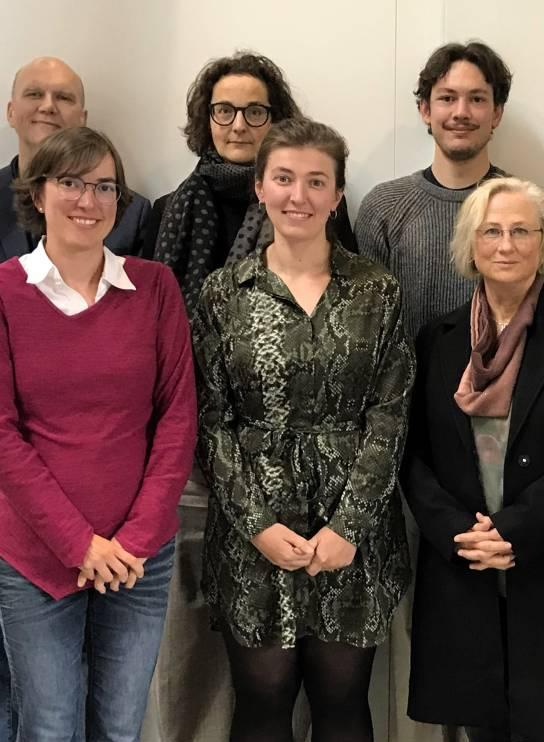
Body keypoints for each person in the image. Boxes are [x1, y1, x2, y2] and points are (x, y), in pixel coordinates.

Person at [193, 117, 412, 742]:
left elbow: (391, 412)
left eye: (317, 181)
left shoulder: (377, 290)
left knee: (343, 702)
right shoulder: (220, 293)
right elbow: (212, 421)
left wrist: (349, 526)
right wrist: (258, 525)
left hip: (353, 532)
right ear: (259, 187)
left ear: (338, 195)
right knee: (261, 702)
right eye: (284, 178)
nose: (299, 195)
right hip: (252, 529)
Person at [403, 177, 544, 740]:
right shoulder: (438, 339)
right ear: (471, 245)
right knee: (478, 722)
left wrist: (517, 529)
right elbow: (411, 452)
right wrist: (460, 534)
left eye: (521, 231)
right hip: (467, 563)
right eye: (492, 231)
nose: (506, 245)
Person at [0, 126, 195, 740]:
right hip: (32, 555)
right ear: (37, 194)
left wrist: (133, 541)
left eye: (104, 186)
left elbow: (177, 419)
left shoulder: (155, 287)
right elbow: (2, 434)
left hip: (140, 558)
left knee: (119, 728)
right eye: (71, 183)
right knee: (49, 726)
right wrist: (79, 544)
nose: (89, 200)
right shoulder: (4, 290)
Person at [356, 41, 544, 339]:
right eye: (447, 98)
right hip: (410, 386)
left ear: (496, 113)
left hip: (515, 383)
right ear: (425, 110)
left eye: (477, 99)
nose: (461, 112)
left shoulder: (536, 207)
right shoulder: (383, 208)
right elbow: (368, 330)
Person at [146, 51, 357, 314]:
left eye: (254, 112)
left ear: (276, 119)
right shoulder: (167, 209)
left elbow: (347, 298)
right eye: (224, 110)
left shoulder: (314, 204)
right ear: (206, 118)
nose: (238, 125)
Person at [1, 56, 150, 259]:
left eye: (63, 97)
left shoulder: (133, 214)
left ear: (83, 118)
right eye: (34, 94)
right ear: (10, 112)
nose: (48, 106)